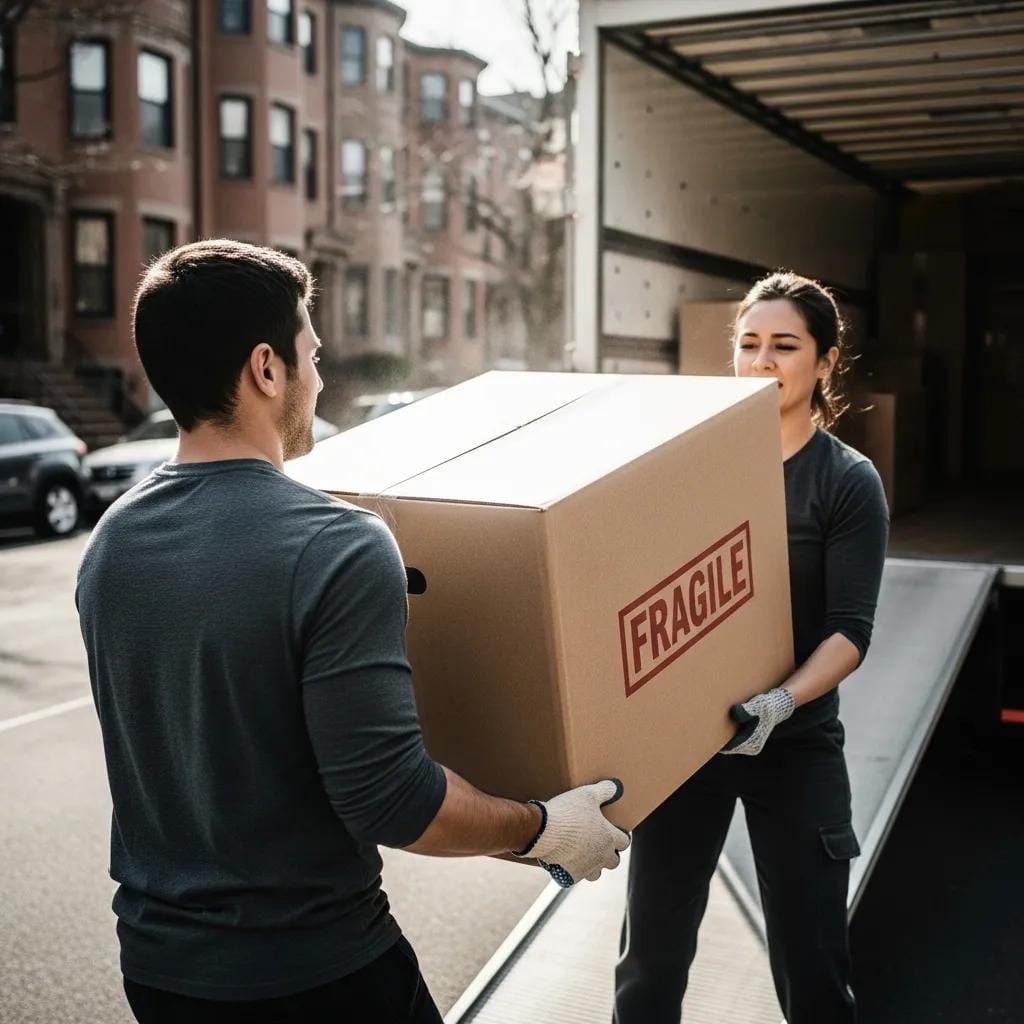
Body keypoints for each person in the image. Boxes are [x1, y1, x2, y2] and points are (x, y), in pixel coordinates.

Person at [76, 240, 629, 1024]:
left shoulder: (113, 542)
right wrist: (544, 829)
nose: (321, 378)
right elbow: (395, 801)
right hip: (314, 976)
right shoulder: (337, 543)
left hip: (160, 973)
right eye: (312, 354)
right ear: (267, 369)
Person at [614, 271, 889, 1024]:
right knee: (650, 964)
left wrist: (781, 701)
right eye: (748, 344)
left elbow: (849, 632)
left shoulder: (846, 483)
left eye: (785, 346)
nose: (762, 360)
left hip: (794, 744)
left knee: (813, 969)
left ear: (826, 362)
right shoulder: (687, 470)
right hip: (689, 750)